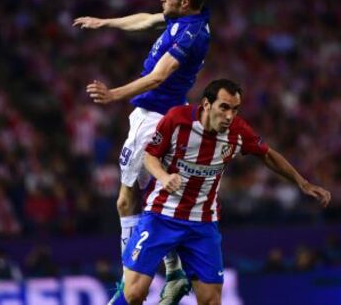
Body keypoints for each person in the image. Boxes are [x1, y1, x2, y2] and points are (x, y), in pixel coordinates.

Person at [113, 78, 331, 305]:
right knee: (133, 293)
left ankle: (178, 277)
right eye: (224, 107)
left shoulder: (237, 131)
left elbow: (267, 154)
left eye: (235, 109)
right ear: (206, 104)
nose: (229, 116)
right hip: (161, 216)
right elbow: (150, 155)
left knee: (211, 301)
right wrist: (164, 176)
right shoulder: (177, 119)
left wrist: (302, 182)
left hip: (202, 224)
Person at [73, 0, 210, 304]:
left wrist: (114, 94)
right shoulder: (183, 21)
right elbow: (147, 21)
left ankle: (128, 283)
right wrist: (104, 22)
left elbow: (158, 76)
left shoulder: (190, 34)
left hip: (154, 119)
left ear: (185, 1)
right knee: (151, 200)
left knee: (126, 202)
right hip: (163, 116)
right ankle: (175, 272)